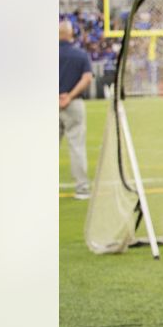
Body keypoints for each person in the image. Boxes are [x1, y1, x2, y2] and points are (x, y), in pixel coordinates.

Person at [59, 21, 94, 200]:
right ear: (71, 34)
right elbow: (87, 78)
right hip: (74, 104)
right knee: (77, 147)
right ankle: (82, 188)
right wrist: (69, 96)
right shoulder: (80, 55)